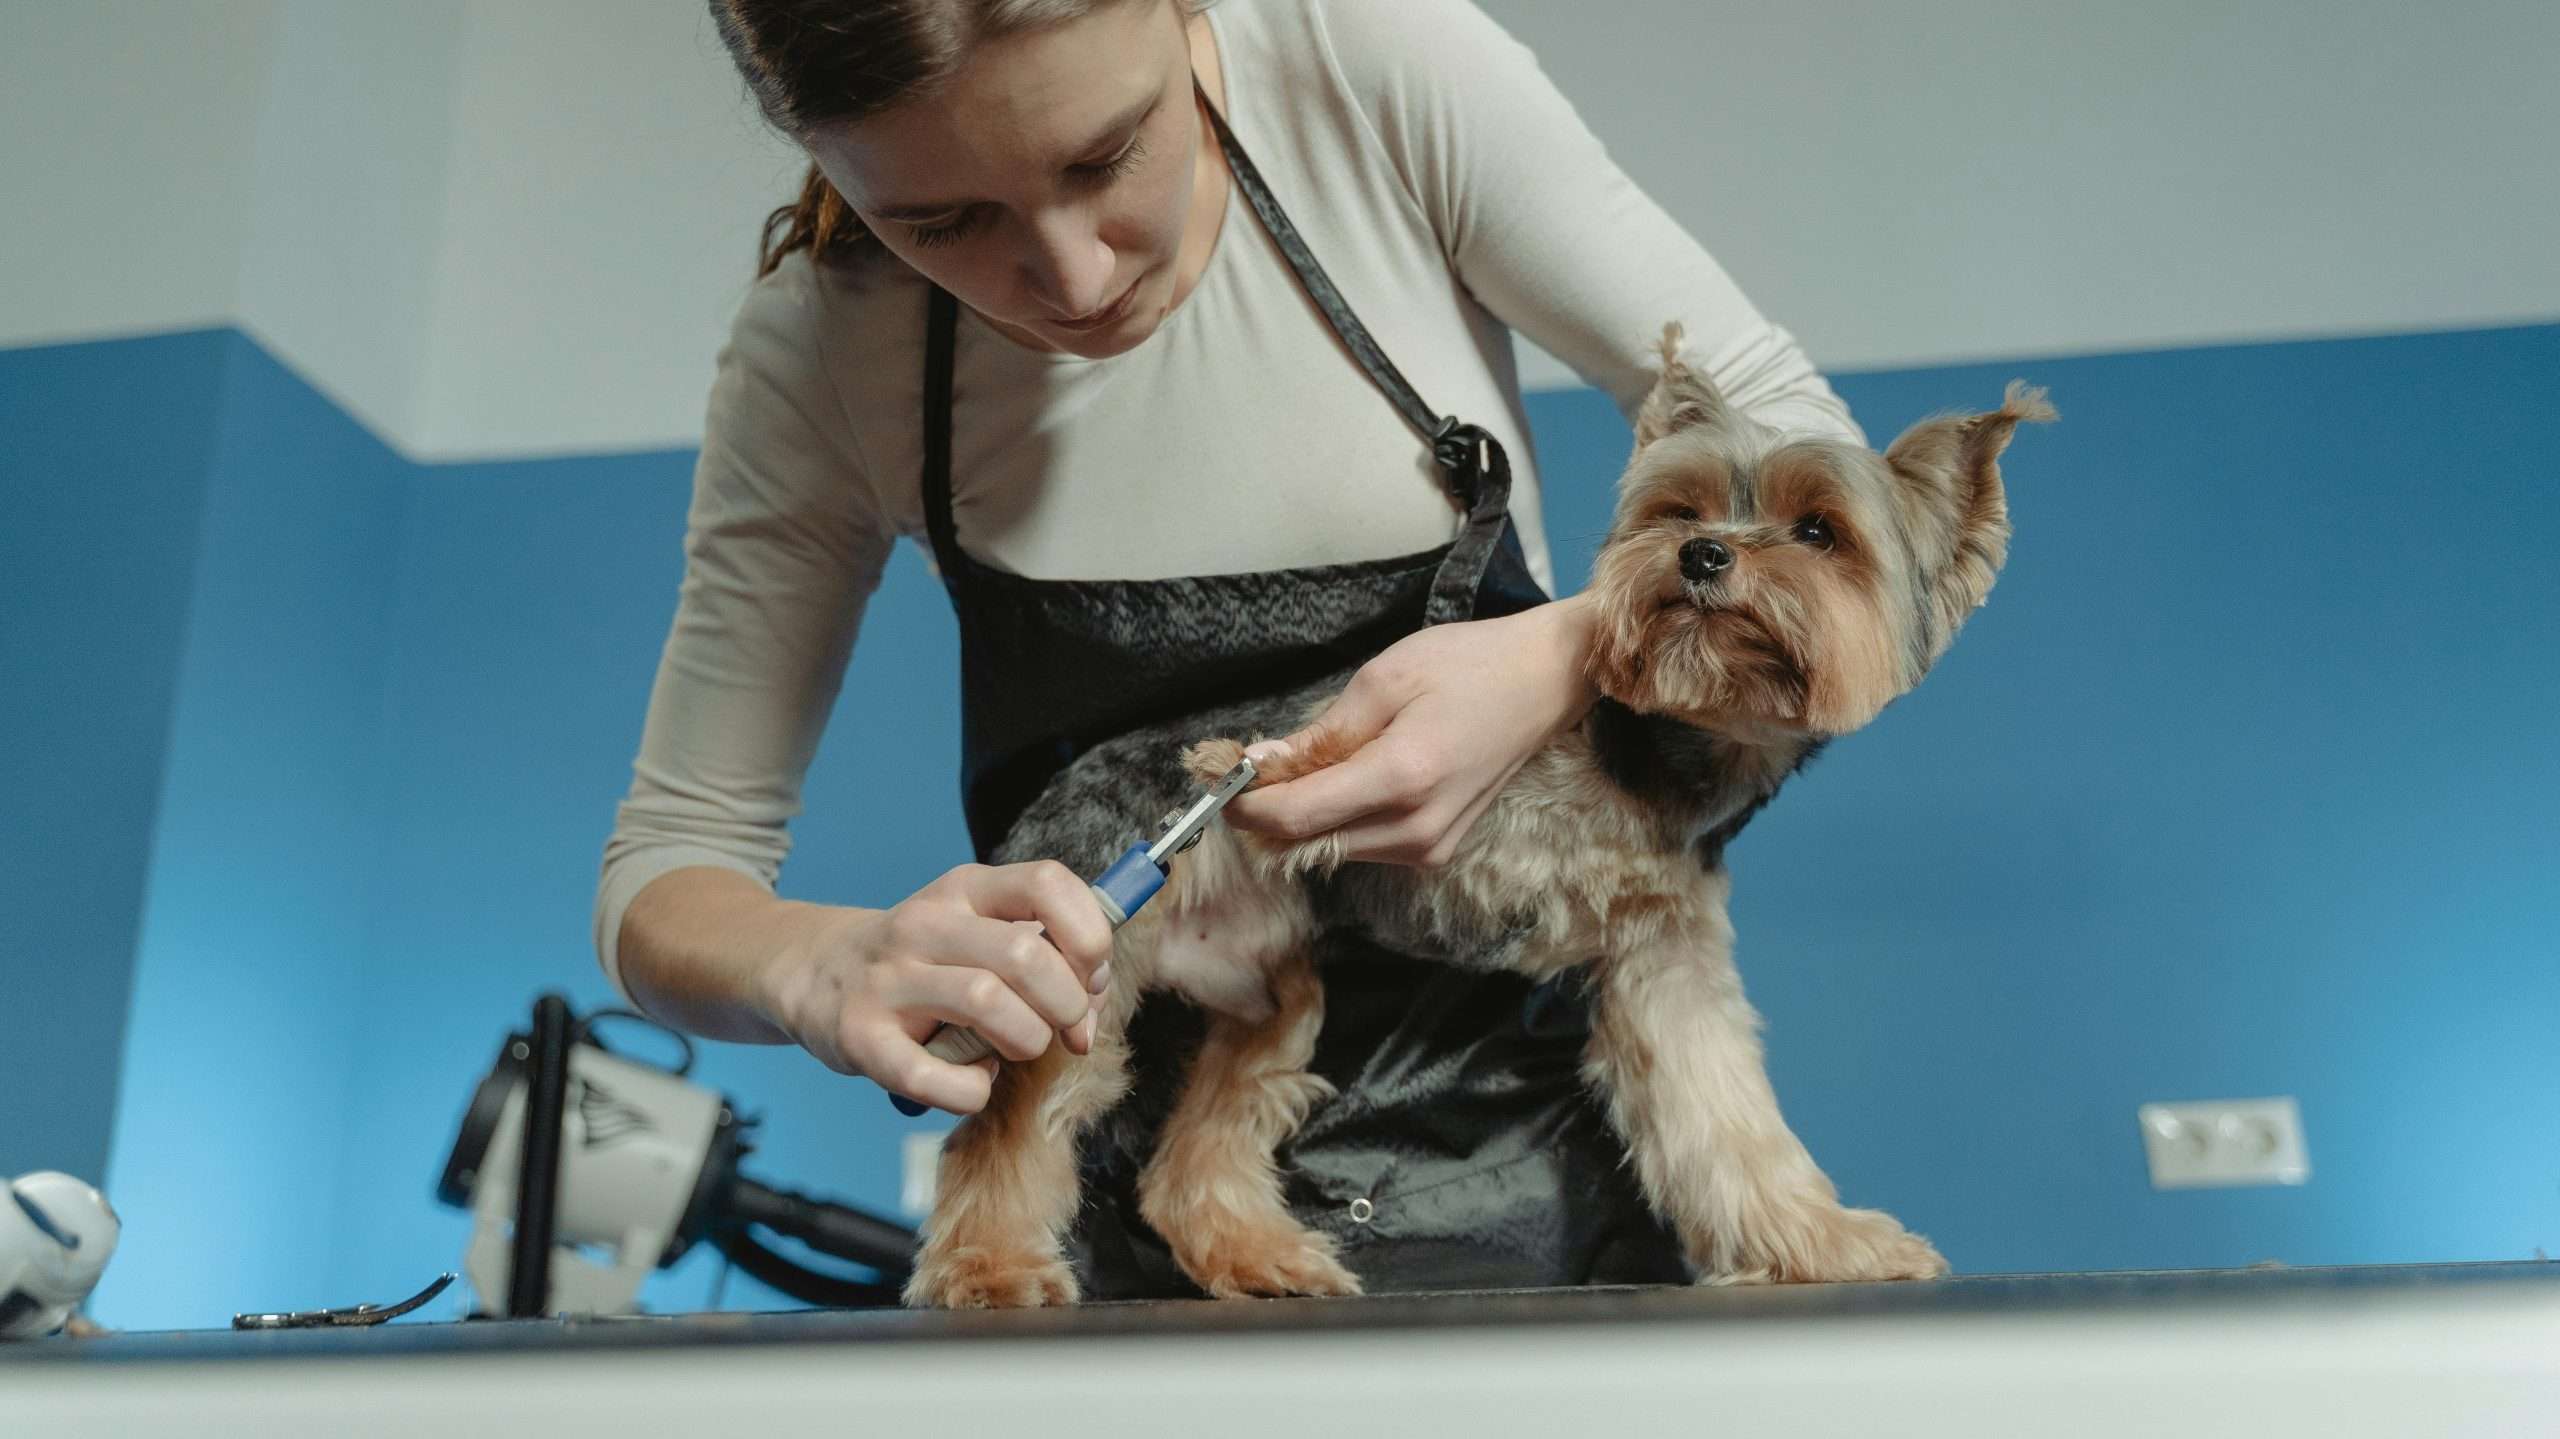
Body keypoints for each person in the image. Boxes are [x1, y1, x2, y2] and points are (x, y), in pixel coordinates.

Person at [602, 0, 1864, 1297]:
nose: (1076, 278)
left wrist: (1562, 653)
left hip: (1541, 1201)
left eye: (1106, 155)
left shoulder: (1365, 68)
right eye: (942, 223)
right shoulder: (826, 340)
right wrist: (821, 966)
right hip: (1113, 1271)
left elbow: (1809, 456)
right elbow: (668, 873)